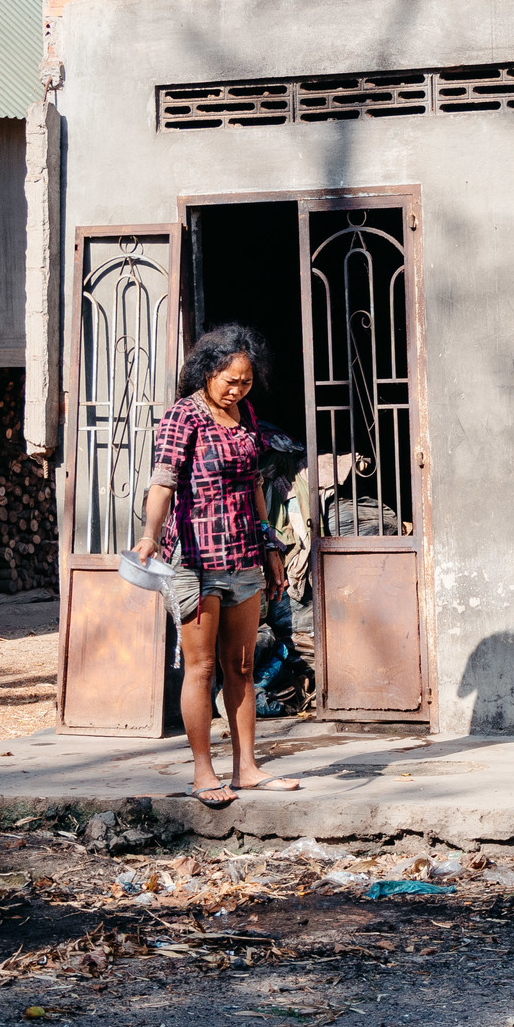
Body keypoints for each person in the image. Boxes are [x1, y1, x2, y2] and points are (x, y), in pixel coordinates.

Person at [131, 324, 299, 805]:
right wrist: (149, 535)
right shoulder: (182, 417)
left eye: (245, 382)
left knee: (241, 666)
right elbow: (162, 483)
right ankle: (204, 773)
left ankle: (247, 768)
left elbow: (252, 487)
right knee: (201, 668)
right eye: (229, 381)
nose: (237, 390)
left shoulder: (246, 414)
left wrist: (270, 547)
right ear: (207, 373)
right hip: (196, 560)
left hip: (244, 556)